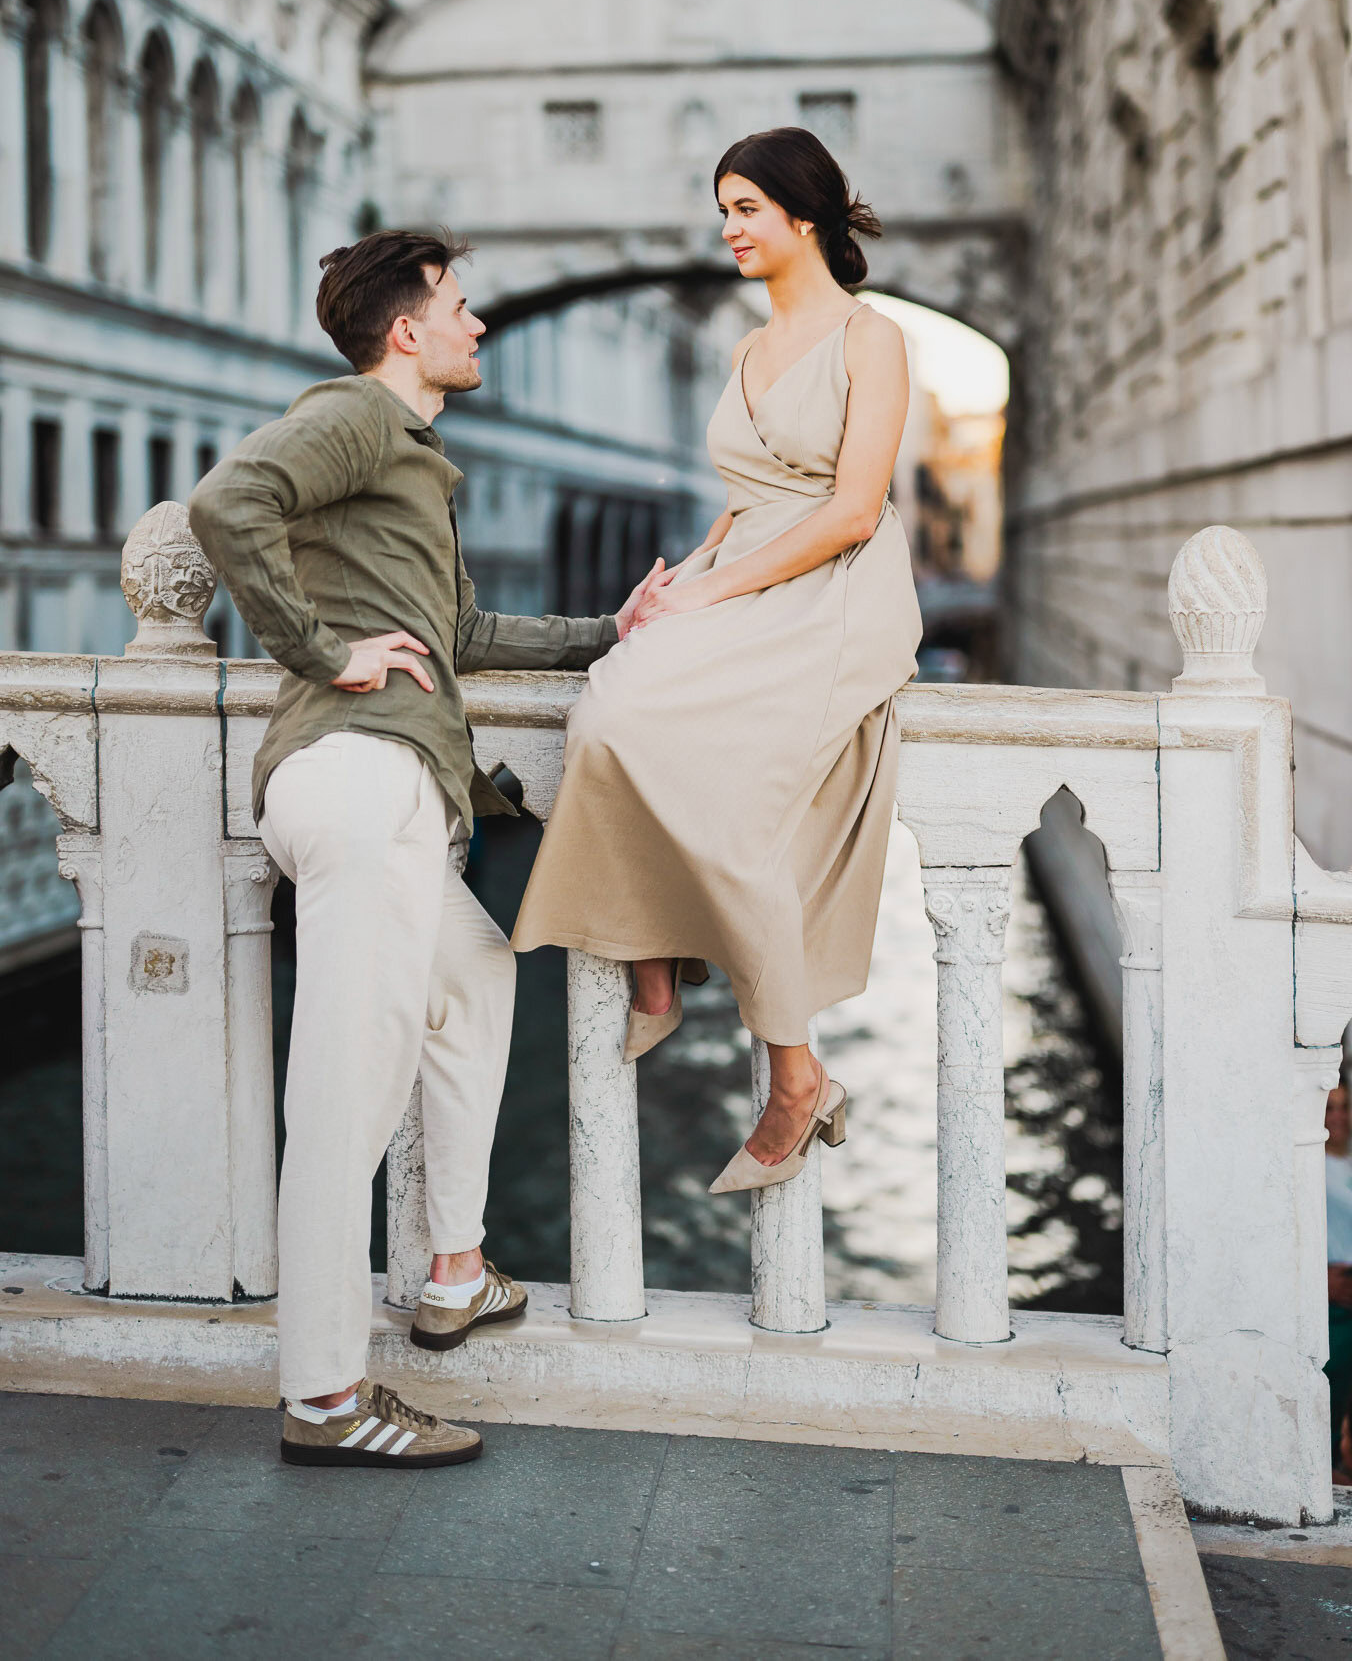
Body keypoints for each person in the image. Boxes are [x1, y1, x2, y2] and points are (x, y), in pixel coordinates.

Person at [189, 228, 653, 1468]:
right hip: (360, 775)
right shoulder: (350, 414)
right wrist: (321, 651)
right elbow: (226, 504)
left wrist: (610, 628)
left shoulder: (408, 458)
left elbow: (457, 630)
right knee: (342, 1103)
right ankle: (326, 1400)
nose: (477, 323)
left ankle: (451, 1270)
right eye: (458, 304)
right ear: (407, 330)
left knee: (479, 970)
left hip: (387, 788)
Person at [512, 129, 923, 1190]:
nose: (729, 229)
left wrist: (709, 593)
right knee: (607, 707)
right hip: (744, 567)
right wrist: (670, 583)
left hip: (836, 590)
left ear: (804, 216)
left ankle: (794, 1075)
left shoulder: (868, 338)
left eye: (745, 208)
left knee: (729, 798)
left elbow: (851, 509)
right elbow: (742, 499)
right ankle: (655, 963)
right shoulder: (745, 347)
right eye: (724, 210)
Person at [1325, 1079, 1352, 1480]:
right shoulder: (1307, 1163)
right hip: (1332, 1293)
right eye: (1329, 1108)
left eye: (1344, 1107)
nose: (1339, 1116)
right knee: (1331, 1384)